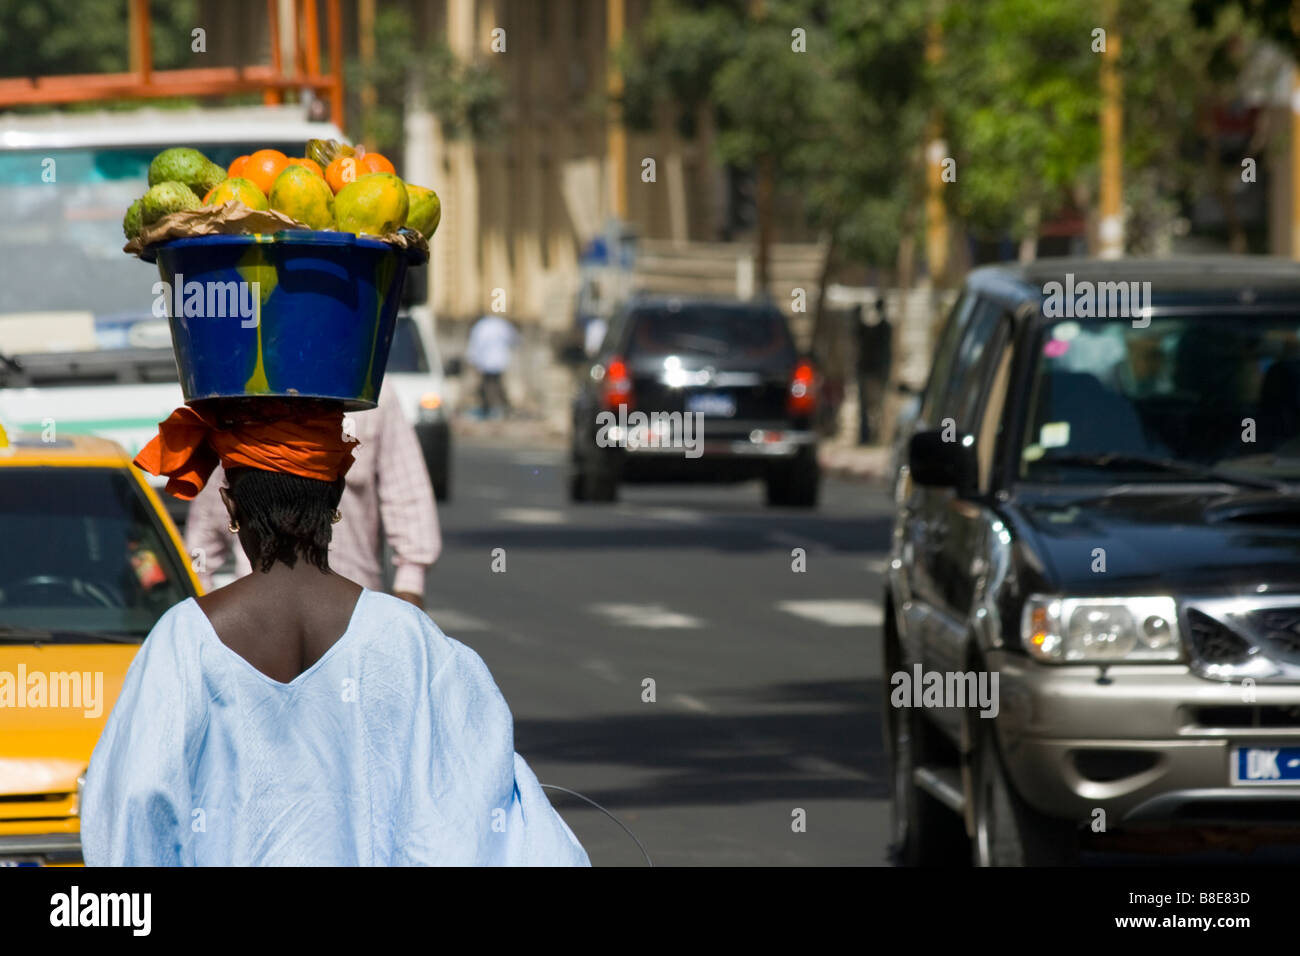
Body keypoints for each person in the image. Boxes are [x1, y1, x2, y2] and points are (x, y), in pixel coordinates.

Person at [81, 400, 589, 866]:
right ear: (336, 495)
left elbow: (134, 807)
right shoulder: (411, 642)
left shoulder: (182, 641)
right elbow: (477, 818)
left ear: (231, 508)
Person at [186, 384, 438, 608]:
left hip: (355, 601)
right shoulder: (236, 391)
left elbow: (407, 495)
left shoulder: (368, 387)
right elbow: (204, 531)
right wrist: (204, 610)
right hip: (256, 617)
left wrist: (410, 588)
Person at [465, 312, 518, 417]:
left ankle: (493, 409)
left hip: (486, 362)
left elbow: (475, 346)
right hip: (499, 361)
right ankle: (502, 408)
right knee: (496, 384)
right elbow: (514, 339)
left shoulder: (480, 327)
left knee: (488, 385)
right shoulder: (502, 324)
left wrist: (473, 361)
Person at [855, 298, 893, 445]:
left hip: (875, 372)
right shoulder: (878, 329)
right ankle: (867, 437)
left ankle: (873, 437)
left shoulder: (883, 329)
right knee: (868, 409)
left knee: (875, 408)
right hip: (870, 371)